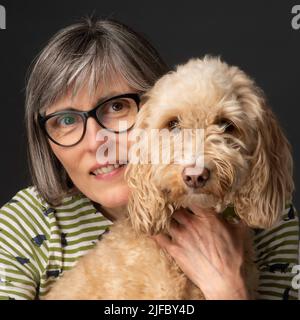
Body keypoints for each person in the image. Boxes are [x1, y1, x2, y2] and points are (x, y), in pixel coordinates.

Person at [0, 18, 298, 300]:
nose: (97, 141)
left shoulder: (271, 215)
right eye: (66, 120)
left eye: (116, 106)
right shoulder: (21, 226)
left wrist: (228, 289)